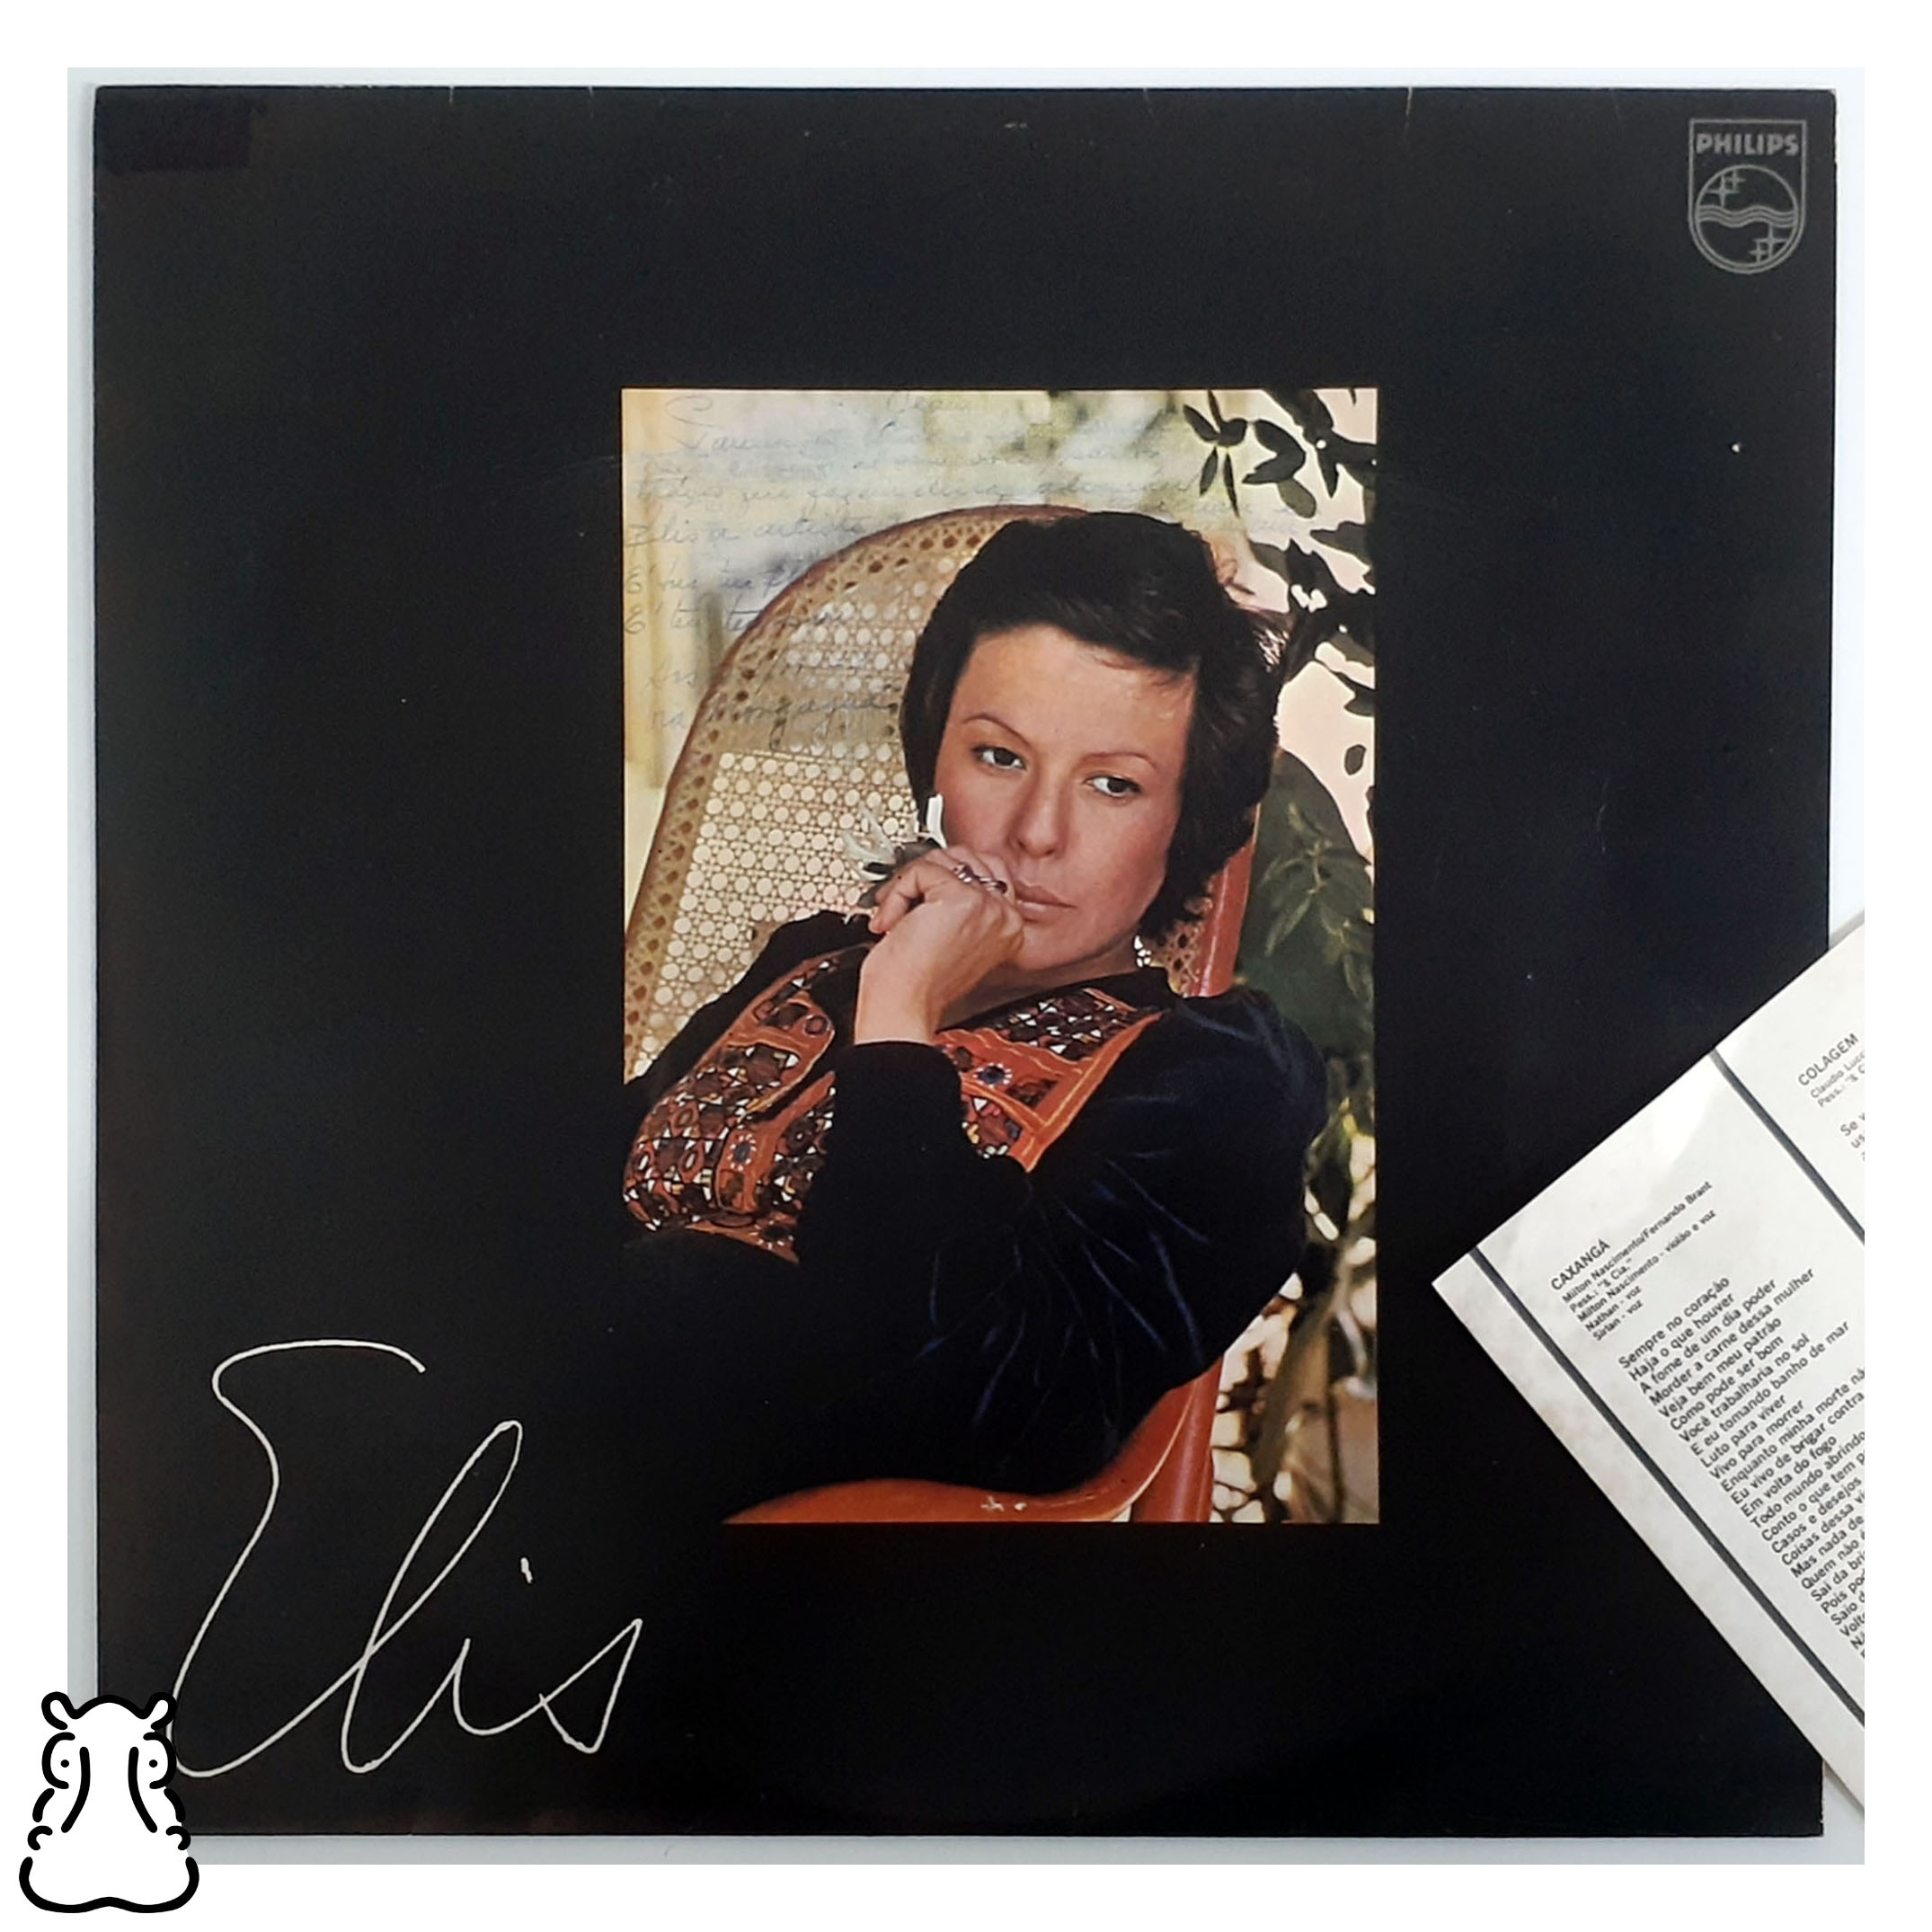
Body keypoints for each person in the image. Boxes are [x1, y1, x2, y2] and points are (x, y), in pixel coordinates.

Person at [173, 510, 1329, 1777]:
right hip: (498, 1495)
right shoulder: (814, 964)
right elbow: (549, 1204)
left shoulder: (1217, 1078)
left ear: (1184, 818)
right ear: (935, 761)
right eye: (998, 755)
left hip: (794, 1633)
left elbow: (1000, 1399)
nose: (1034, 832)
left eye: (1114, 784)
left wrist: (901, 1020)